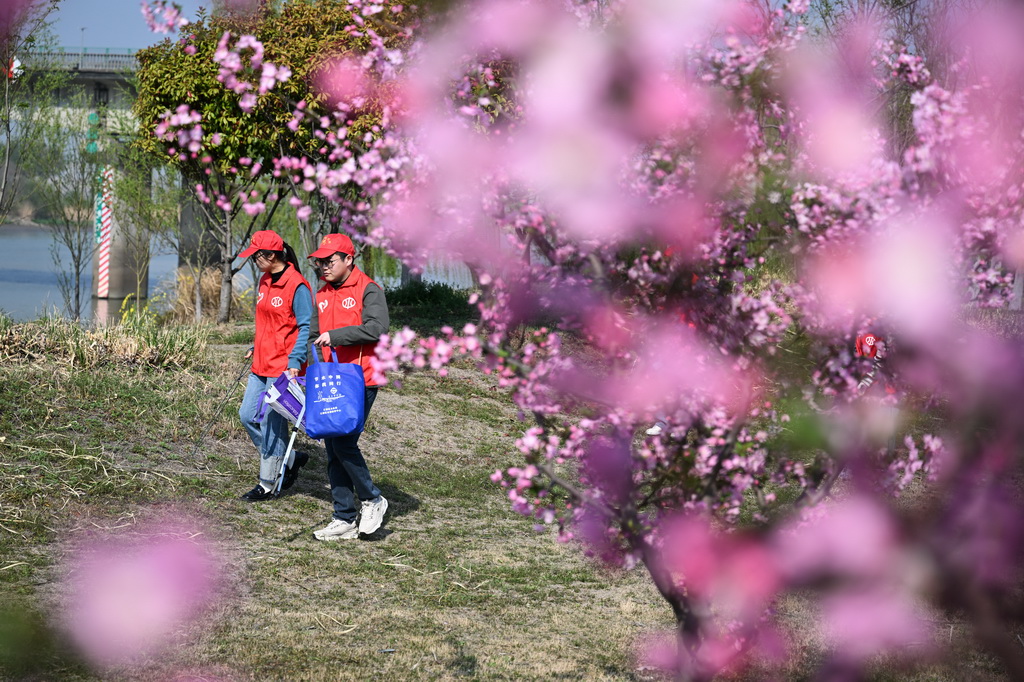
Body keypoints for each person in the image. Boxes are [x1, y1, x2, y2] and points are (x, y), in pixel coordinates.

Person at [307, 233, 390, 541]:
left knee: (343, 443)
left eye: (329, 261)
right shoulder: (322, 292)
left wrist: (337, 336)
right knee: (332, 447)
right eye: (319, 262)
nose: (323, 267)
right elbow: (313, 334)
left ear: (348, 259)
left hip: (361, 378)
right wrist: (299, 369)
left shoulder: (369, 289)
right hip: (329, 378)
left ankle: (372, 499)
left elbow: (377, 329)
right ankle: (343, 517)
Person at [236, 230, 314, 501]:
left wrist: (295, 360)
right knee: (247, 415)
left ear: (270, 255)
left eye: (256, 255)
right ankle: (290, 457)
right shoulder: (264, 280)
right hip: (261, 362)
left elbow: (305, 327)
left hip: (283, 366)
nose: (253, 260)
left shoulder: (298, 285)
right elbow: (267, 322)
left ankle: (267, 483)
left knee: (272, 424)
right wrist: (255, 345)